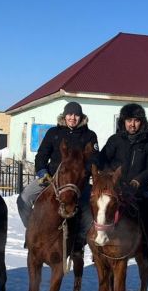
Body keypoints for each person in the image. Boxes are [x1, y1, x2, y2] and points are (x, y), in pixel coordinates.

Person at [17, 101, 99, 256]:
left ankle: (78, 244)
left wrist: (82, 174)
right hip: (52, 178)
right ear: (64, 115)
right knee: (24, 198)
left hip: (77, 183)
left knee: (89, 211)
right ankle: (32, 233)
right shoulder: (53, 132)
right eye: (69, 114)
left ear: (81, 117)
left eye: (76, 115)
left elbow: (95, 160)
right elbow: (41, 155)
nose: (72, 118)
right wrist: (42, 171)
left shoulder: (89, 136)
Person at [99, 103, 148, 253]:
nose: (132, 124)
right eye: (129, 120)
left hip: (138, 189)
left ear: (142, 122)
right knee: (99, 206)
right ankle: (98, 242)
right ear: (123, 122)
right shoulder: (114, 140)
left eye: (136, 120)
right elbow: (102, 160)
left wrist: (138, 180)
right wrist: (110, 177)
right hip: (115, 187)